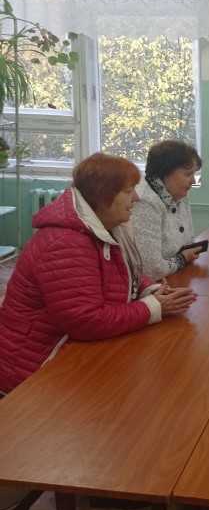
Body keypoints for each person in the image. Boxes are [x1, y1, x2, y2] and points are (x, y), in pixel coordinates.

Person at [0, 153, 196, 395]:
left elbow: (123, 273)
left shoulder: (104, 227)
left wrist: (151, 290)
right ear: (104, 195)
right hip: (33, 370)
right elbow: (85, 321)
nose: (136, 198)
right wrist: (154, 307)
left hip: (65, 352)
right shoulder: (66, 242)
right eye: (129, 191)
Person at [131, 140, 202, 280]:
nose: (193, 181)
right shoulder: (145, 202)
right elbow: (151, 269)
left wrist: (186, 256)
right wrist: (182, 259)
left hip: (175, 277)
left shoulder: (179, 194)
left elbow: (188, 242)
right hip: (152, 285)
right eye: (188, 174)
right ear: (165, 173)